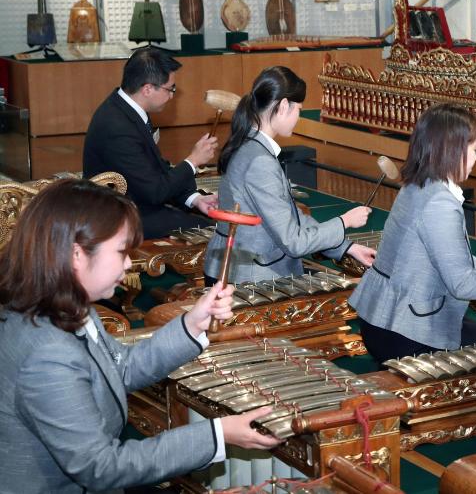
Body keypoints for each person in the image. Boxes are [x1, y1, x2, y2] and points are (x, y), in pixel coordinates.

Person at [0, 179, 281, 493]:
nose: (130, 263)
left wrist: (192, 322)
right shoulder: (46, 354)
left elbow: (119, 368)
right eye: (121, 252)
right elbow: (101, 467)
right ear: (77, 254)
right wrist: (217, 434)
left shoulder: (67, 302)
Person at [348, 102, 476, 365]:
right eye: (474, 150)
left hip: (380, 320)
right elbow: (462, 283)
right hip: (405, 333)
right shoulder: (440, 203)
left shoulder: (416, 185)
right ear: (451, 150)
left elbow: (453, 260)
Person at [203, 67, 375, 283]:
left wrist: (346, 247)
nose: (298, 117)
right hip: (249, 278)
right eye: (299, 110)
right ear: (284, 106)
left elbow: (290, 217)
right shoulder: (260, 161)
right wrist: (345, 221)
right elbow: (294, 242)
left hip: (233, 268)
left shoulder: (247, 143)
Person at [83, 46, 219, 239]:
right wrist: (193, 161)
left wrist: (194, 199)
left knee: (206, 218)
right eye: (170, 89)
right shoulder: (117, 127)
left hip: (139, 200)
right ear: (147, 89)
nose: (172, 95)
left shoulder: (126, 108)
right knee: (213, 231)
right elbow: (156, 191)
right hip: (118, 216)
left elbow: (155, 170)